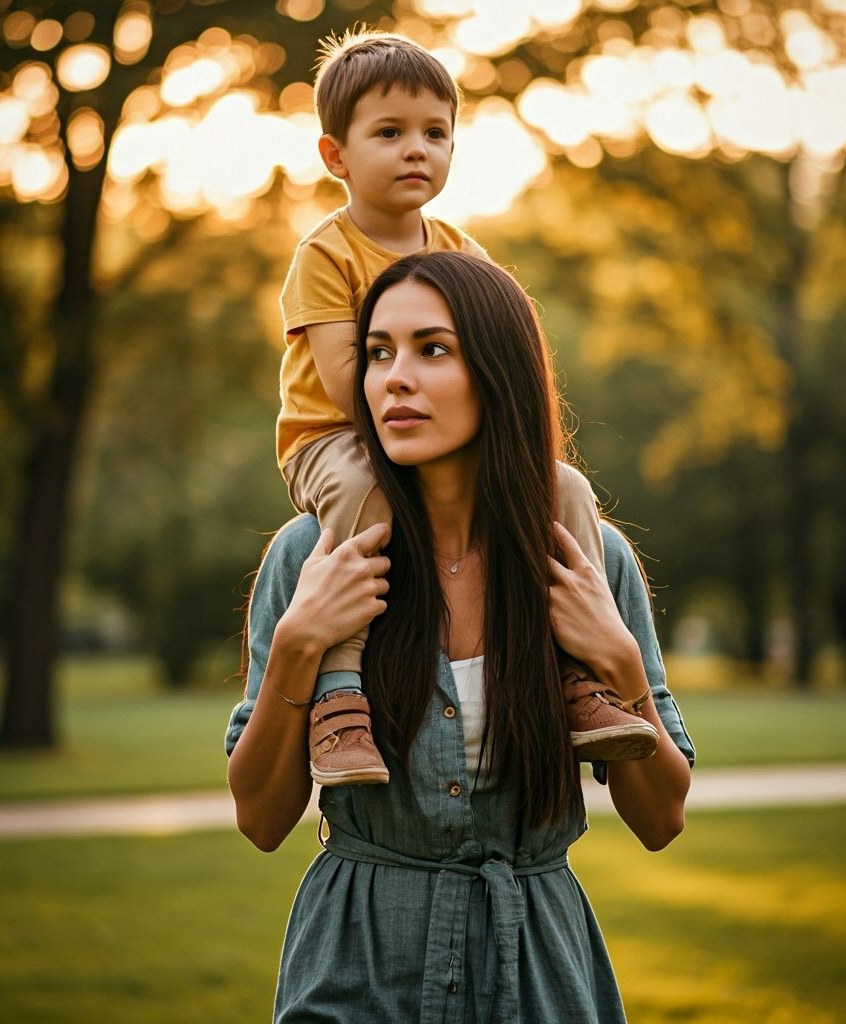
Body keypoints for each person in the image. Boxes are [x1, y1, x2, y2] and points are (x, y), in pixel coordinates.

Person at [227, 251, 695, 1023]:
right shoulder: (310, 556)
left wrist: (616, 662)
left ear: (499, 373)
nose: (393, 378)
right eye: (378, 352)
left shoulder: (586, 557)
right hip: (356, 974)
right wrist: (299, 645)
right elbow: (261, 820)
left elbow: (662, 821)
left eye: (431, 349)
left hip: (539, 977)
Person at [277, 29, 654, 787]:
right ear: (335, 157)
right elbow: (354, 380)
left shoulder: (463, 254)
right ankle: (342, 694)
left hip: (427, 446)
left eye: (435, 133)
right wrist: (420, 444)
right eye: (389, 133)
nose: (417, 149)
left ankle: (581, 677)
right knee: (364, 487)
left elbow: (498, 370)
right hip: (336, 442)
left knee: (566, 487)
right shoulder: (326, 255)